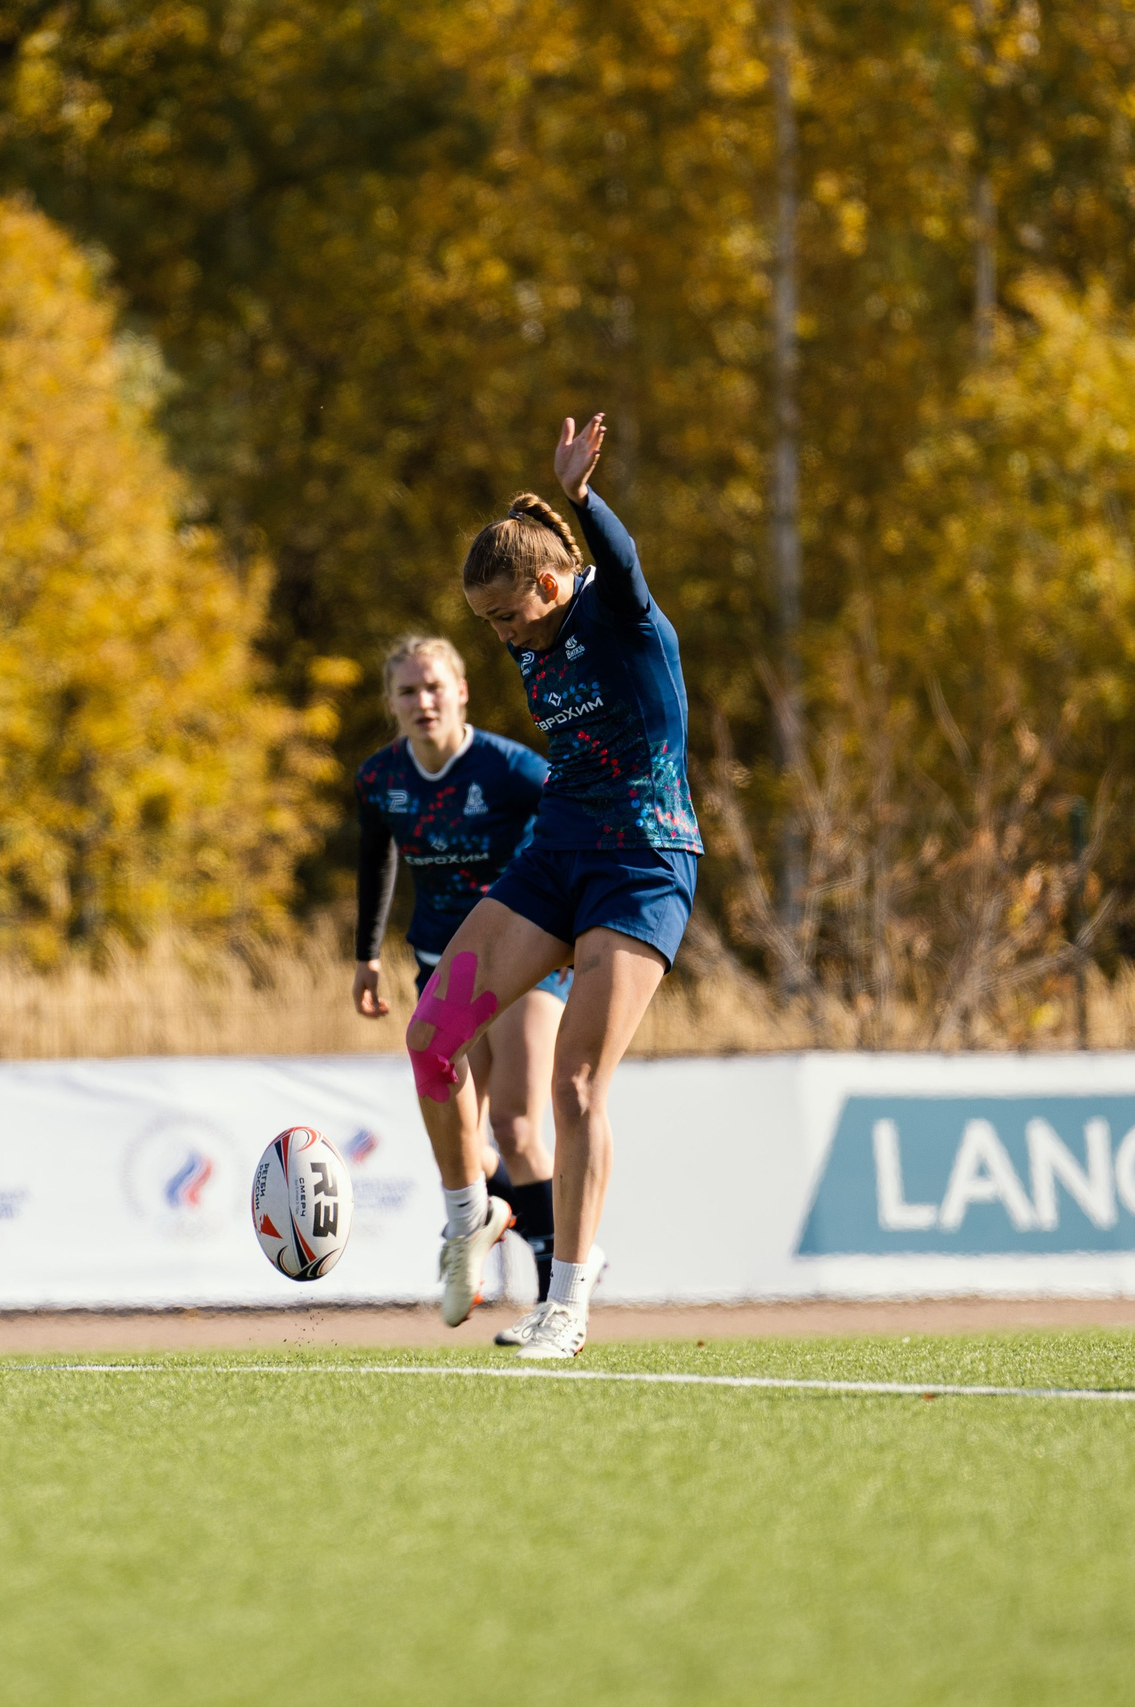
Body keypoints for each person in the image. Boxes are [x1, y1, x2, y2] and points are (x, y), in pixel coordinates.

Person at [406, 414, 702, 1359]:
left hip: (642, 861)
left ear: (548, 583)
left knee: (575, 1084)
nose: (499, 636)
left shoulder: (620, 614)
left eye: (505, 615)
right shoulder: (528, 634)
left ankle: (567, 1304)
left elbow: (620, 566)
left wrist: (582, 499)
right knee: (430, 1038)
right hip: (555, 855)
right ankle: (469, 1219)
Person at [351, 635, 585, 1334]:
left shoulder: (511, 768)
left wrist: (570, 921)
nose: (423, 701)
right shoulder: (380, 778)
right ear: (390, 703)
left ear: (461, 692)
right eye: (407, 691)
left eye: (434, 687)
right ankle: (492, 1219)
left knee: (516, 1121)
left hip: (522, 958)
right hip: (439, 963)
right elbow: (376, 859)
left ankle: (554, 1300)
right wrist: (366, 956)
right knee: (468, 1141)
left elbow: (571, 821)